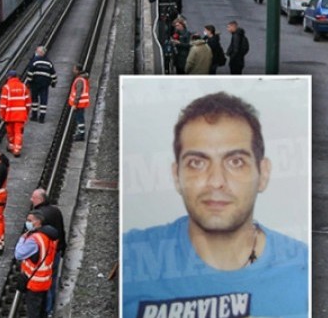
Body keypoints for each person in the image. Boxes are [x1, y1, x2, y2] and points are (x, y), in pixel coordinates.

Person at [122, 92, 308, 318]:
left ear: (263, 174)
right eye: (197, 163)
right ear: (176, 175)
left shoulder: (302, 271)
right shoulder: (130, 258)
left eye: (236, 162)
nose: (216, 181)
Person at [15, 211, 59, 318]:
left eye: (30, 220)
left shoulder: (34, 239)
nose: (27, 223)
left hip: (34, 283)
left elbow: (19, 254)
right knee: (41, 311)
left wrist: (22, 239)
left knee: (33, 313)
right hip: (44, 281)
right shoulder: (49, 237)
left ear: (38, 222)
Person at [30, 189, 66, 316]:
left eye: (33, 198)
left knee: (44, 283)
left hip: (46, 255)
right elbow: (62, 230)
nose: (31, 200)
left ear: (40, 200)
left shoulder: (39, 216)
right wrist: (63, 248)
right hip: (56, 251)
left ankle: (46, 309)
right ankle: (50, 308)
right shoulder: (56, 210)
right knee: (53, 280)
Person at [0, 70, 31, 156]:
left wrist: (2, 115)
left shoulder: (6, 87)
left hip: (9, 115)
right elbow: (28, 103)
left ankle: (11, 146)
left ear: (9, 77)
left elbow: (3, 104)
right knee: (18, 132)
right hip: (20, 114)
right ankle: (17, 149)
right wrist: (26, 113)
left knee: (10, 131)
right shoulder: (23, 87)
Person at [25, 45, 57, 123]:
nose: (36, 52)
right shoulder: (49, 62)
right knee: (43, 100)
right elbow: (53, 74)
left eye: (37, 51)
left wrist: (28, 82)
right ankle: (42, 117)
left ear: (40, 52)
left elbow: (30, 73)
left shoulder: (34, 61)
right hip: (45, 84)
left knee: (34, 99)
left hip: (35, 83)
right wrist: (53, 83)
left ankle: (34, 116)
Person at [68, 65, 90, 141]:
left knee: (80, 118)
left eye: (74, 69)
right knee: (80, 118)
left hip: (79, 103)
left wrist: (74, 104)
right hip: (81, 103)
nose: (73, 71)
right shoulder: (83, 78)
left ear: (77, 70)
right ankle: (81, 133)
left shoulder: (80, 80)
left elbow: (78, 93)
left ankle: (81, 135)